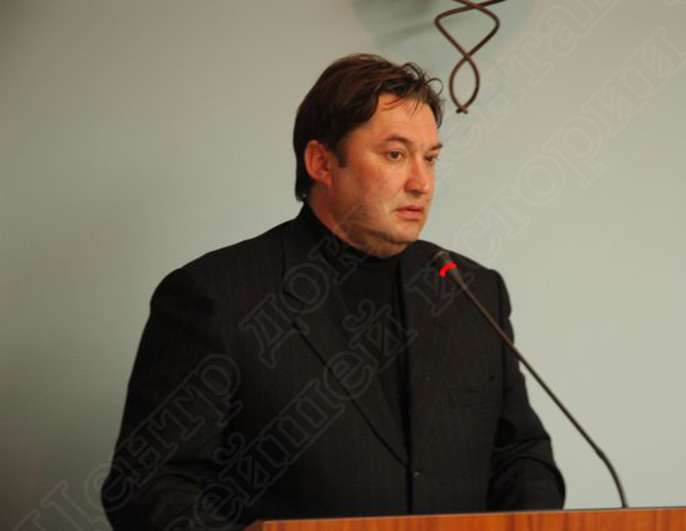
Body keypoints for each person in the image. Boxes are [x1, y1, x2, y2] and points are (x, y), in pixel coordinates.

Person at [102, 53, 565, 531]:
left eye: (430, 158)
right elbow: (150, 486)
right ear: (322, 162)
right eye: (395, 155)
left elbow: (521, 455)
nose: (421, 183)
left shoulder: (470, 290)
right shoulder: (216, 296)